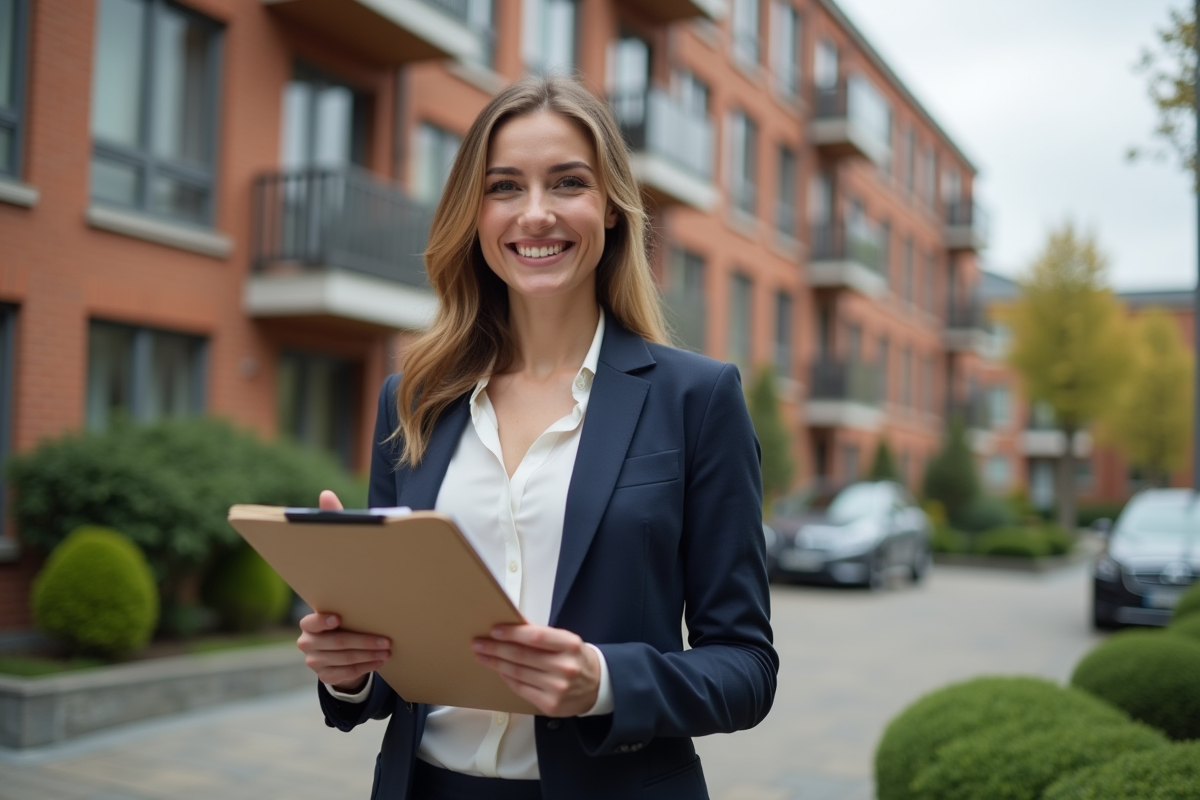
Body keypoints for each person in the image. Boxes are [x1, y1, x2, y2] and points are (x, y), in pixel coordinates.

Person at [296, 75, 777, 800]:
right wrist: (353, 670)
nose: (537, 214)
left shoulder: (698, 400)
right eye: (505, 187)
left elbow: (745, 668)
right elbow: (398, 676)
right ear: (475, 212)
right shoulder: (414, 400)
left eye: (568, 183)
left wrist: (603, 682)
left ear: (611, 208)